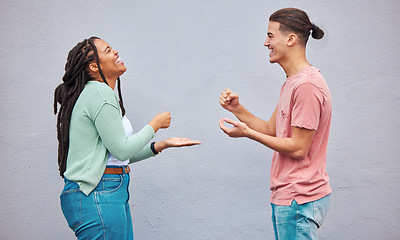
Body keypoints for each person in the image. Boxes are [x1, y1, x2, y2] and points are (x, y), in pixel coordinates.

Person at [54, 36, 200, 239]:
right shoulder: (100, 93)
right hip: (99, 192)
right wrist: (155, 124)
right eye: (107, 50)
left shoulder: (96, 93)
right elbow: (122, 149)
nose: (115, 52)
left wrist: (161, 145)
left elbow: (118, 154)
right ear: (94, 66)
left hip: (104, 190)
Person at [219, 8, 332, 240]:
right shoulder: (293, 82)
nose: (265, 43)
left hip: (299, 199)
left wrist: (248, 133)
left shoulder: (307, 86)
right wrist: (237, 109)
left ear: (290, 39)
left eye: (270, 36)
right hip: (289, 198)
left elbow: (299, 148)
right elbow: (273, 130)